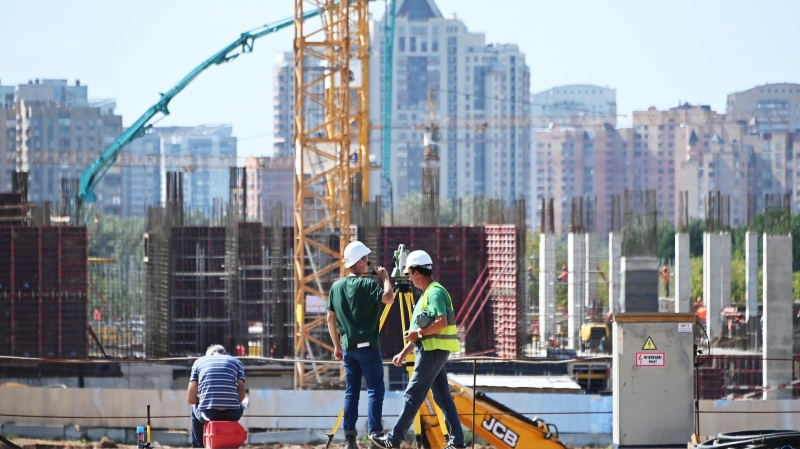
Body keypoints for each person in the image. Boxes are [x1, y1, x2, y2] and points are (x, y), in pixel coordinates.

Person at [372, 250, 466, 449]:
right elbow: (419, 331)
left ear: (415, 272)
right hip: (432, 350)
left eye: (409, 274)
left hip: (432, 352)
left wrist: (419, 336)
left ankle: (394, 439)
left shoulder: (435, 292)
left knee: (413, 394)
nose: (409, 279)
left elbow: (439, 322)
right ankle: (457, 442)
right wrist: (405, 352)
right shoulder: (427, 294)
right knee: (442, 396)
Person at [327, 241, 394, 449]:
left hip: (348, 349)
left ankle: (350, 439)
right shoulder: (367, 285)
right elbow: (389, 298)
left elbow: (330, 318)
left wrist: (337, 346)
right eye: (366, 259)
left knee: (351, 392)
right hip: (368, 348)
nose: (367, 262)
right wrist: (385, 278)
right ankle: (375, 436)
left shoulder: (336, 287)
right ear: (358, 262)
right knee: (375, 390)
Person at [187, 344, 246, 448]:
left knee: (194, 408)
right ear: (225, 354)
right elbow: (241, 397)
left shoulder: (199, 362)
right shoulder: (237, 362)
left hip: (208, 415)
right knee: (240, 405)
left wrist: (203, 400)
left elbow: (191, 398)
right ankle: (228, 440)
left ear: (208, 355)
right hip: (233, 414)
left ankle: (199, 445)